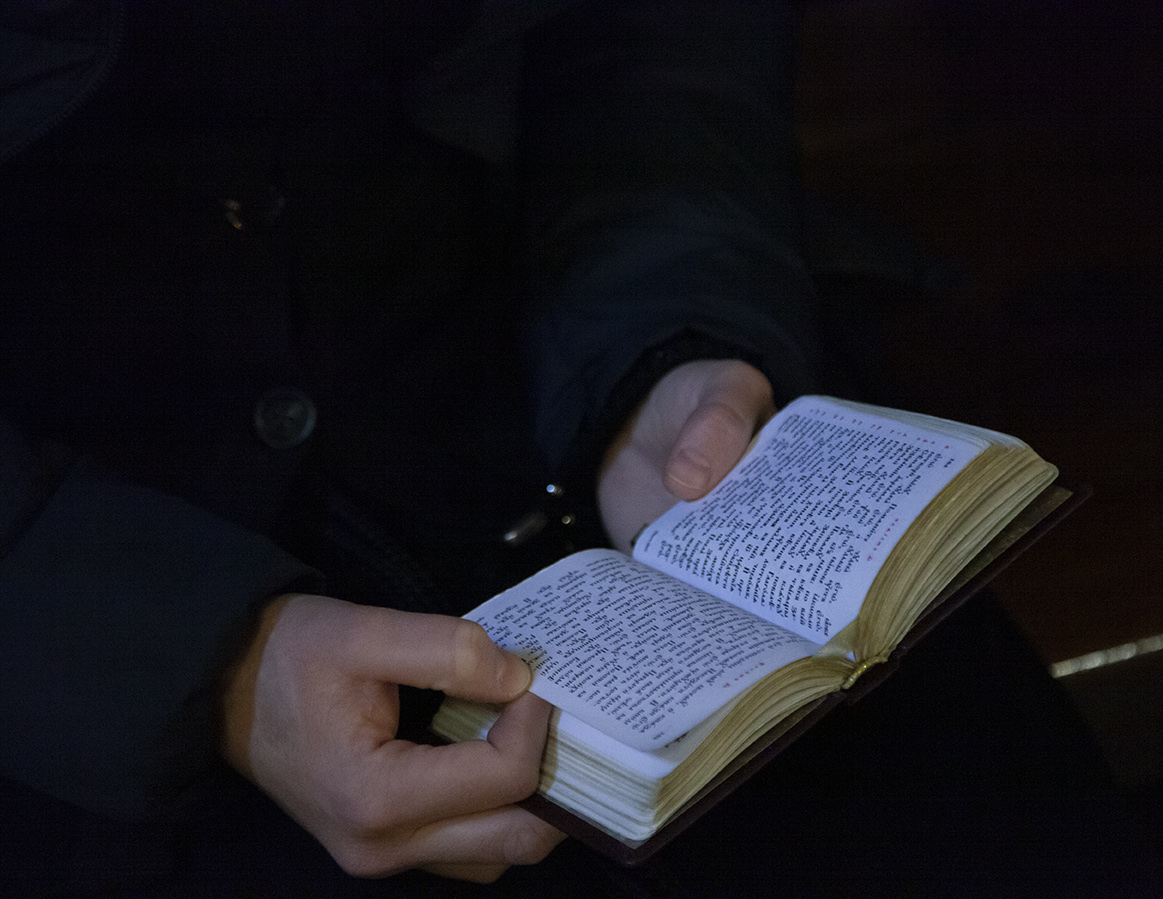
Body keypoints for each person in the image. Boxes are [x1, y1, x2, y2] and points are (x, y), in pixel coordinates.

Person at [0, 1, 819, 892]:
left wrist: (657, 348)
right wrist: (202, 662)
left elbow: (657, 47)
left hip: (526, 406)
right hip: (71, 648)